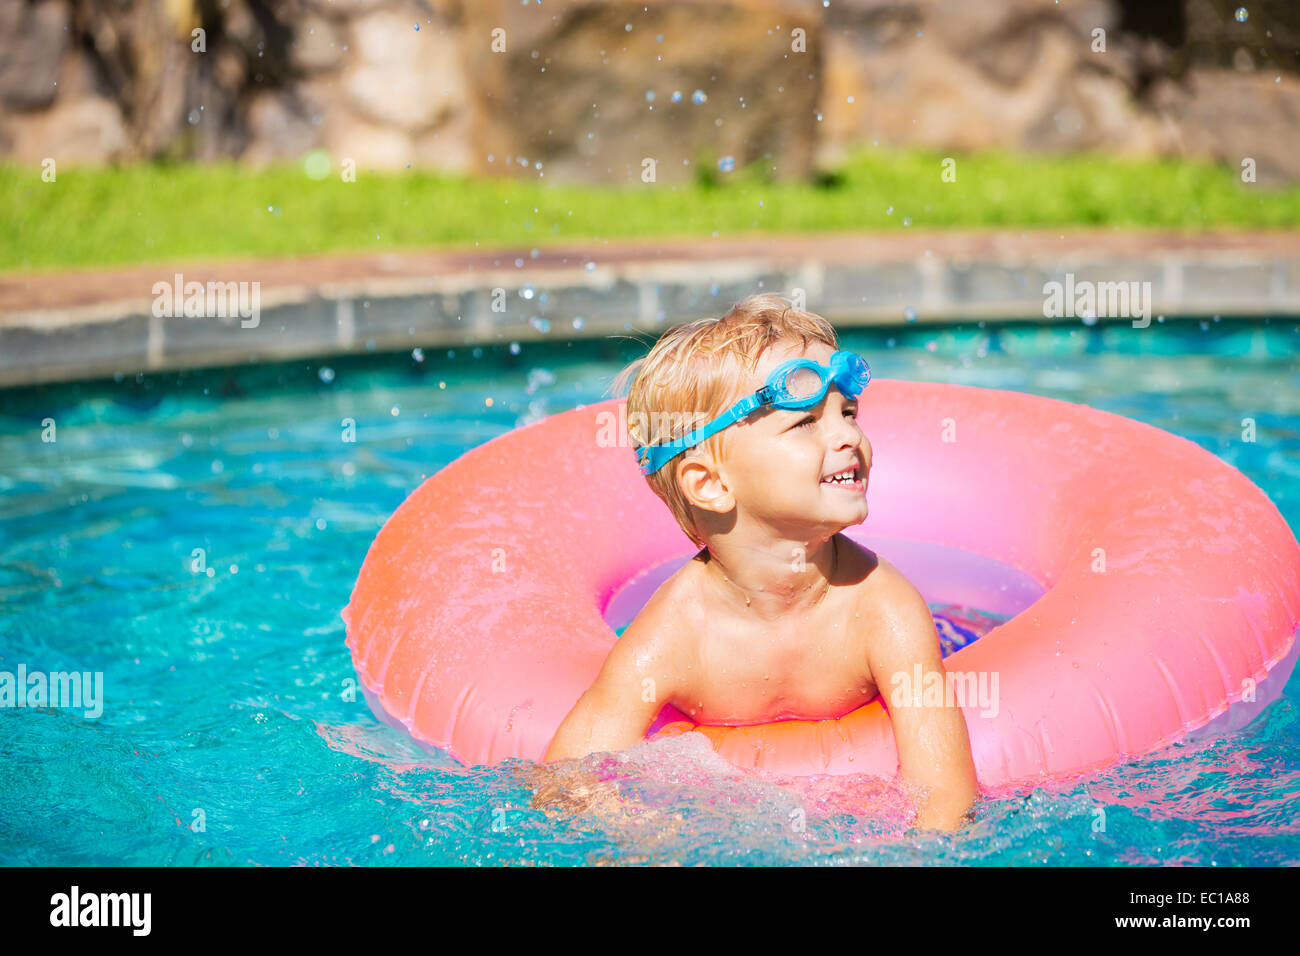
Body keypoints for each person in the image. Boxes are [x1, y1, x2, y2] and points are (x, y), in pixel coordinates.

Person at [538, 294, 979, 832]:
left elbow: (946, 794)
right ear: (710, 483)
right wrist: (647, 835)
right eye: (804, 424)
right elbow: (566, 777)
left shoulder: (882, 605)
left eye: (848, 412)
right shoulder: (676, 631)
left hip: (961, 633)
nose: (849, 436)